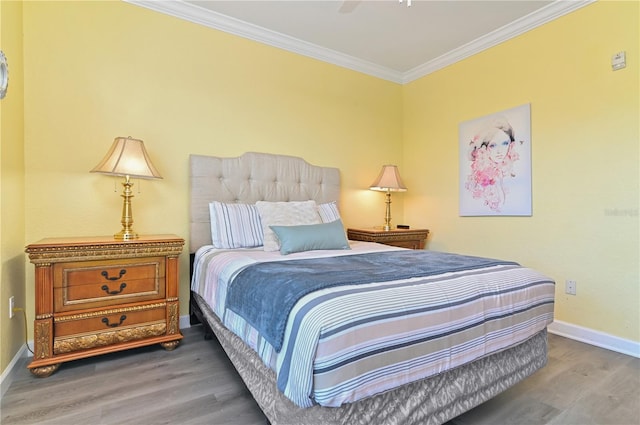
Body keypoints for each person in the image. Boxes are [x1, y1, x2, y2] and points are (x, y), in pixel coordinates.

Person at [465, 116, 522, 212]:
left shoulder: (507, 172)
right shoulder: (480, 179)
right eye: (493, 145)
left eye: (504, 143)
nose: (500, 151)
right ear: (484, 148)